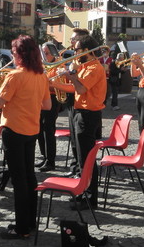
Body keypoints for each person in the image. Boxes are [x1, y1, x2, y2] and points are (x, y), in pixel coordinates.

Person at [0, 35, 51, 240]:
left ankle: (22, 227)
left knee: (19, 179)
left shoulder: (14, 76)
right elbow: (47, 106)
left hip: (14, 130)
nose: (12, 56)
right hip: (31, 130)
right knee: (29, 176)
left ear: (21, 54)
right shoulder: (41, 76)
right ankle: (29, 222)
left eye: (14, 53)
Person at [50, 35, 106, 209]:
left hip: (88, 115)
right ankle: (83, 192)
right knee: (81, 157)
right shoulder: (84, 66)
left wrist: (70, 74)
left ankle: (90, 197)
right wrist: (52, 83)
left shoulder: (94, 68)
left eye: (77, 50)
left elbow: (80, 87)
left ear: (87, 51)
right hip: (80, 112)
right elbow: (75, 90)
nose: (74, 52)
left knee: (87, 158)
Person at [63, 28, 90, 177]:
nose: (71, 43)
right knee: (73, 136)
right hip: (72, 100)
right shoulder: (75, 57)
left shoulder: (86, 61)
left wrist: (72, 73)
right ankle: (75, 166)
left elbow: (81, 83)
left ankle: (80, 169)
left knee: (79, 139)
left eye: (74, 40)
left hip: (81, 101)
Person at [37, 43, 60, 172]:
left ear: (53, 53)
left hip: (52, 98)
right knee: (40, 128)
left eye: (46, 53)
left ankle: (50, 160)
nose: (44, 56)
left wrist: (43, 81)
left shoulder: (58, 66)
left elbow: (57, 85)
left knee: (48, 129)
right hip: (41, 97)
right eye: (43, 53)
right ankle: (44, 157)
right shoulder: (43, 66)